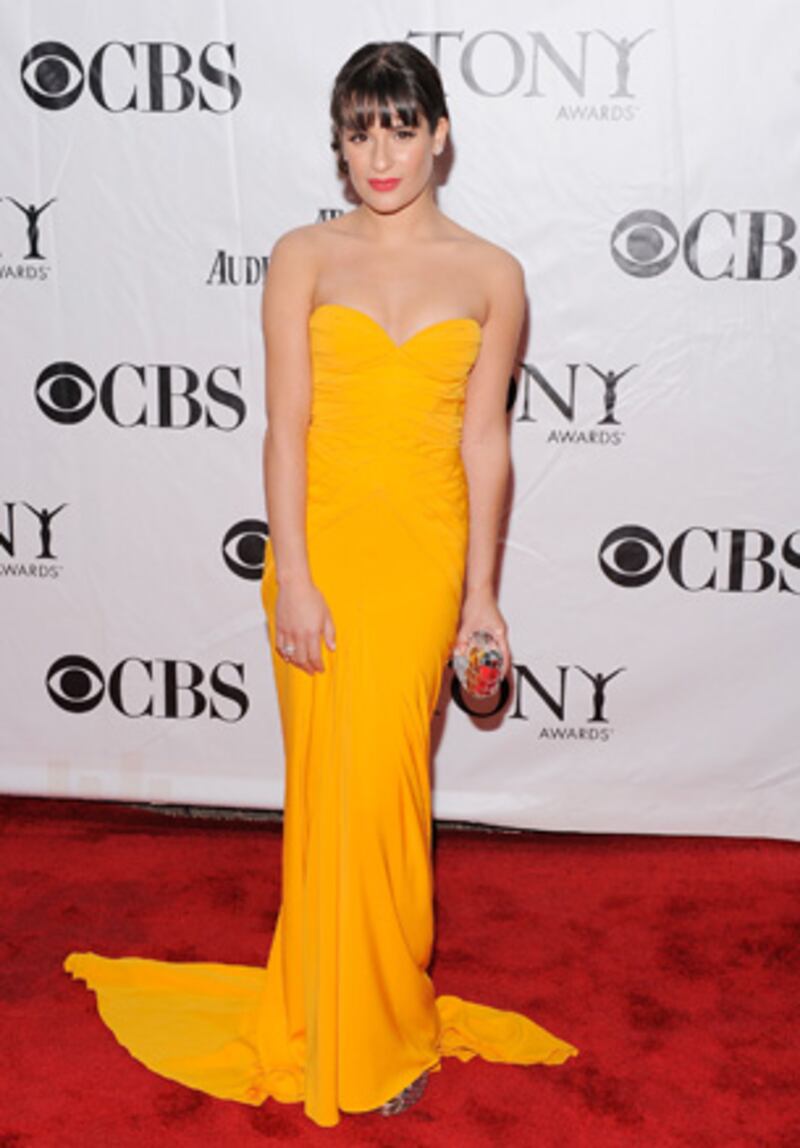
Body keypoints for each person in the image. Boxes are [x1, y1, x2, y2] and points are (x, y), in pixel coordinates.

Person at [63, 40, 578, 1129]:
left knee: (387, 791)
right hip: (322, 550)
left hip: (423, 553)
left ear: (440, 132)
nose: (379, 152)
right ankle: (336, 1015)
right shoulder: (303, 253)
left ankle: (384, 1018)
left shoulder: (493, 274)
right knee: (329, 795)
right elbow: (284, 425)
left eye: (399, 125)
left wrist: (481, 594)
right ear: (338, 146)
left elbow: (485, 442)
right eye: (357, 130)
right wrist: (290, 570)